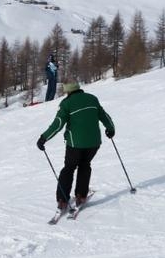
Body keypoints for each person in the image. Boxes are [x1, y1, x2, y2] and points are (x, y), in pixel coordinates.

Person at [36, 82, 116, 212]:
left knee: (69, 168)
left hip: (75, 144)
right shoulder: (92, 98)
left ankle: (62, 200)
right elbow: (103, 115)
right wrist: (110, 129)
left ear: (68, 92)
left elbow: (58, 124)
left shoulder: (66, 103)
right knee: (85, 165)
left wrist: (44, 138)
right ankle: (81, 196)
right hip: (94, 143)